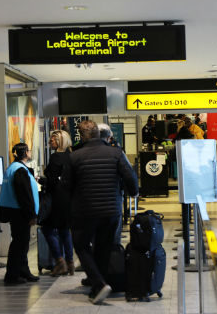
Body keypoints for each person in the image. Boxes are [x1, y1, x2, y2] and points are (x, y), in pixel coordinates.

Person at [63, 120, 138, 304]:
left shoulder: (74, 157)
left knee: (82, 246)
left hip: (85, 211)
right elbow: (130, 176)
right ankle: (98, 287)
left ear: (82, 136)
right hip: (111, 210)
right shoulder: (116, 153)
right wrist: (133, 192)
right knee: (104, 248)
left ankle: (98, 283)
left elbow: (66, 186)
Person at [0, 143, 40, 285]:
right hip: (20, 212)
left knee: (21, 243)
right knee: (19, 244)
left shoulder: (12, 168)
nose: (30, 152)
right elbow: (24, 195)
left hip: (14, 210)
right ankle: (12, 275)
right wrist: (31, 215)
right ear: (25, 152)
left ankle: (23, 271)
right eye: (29, 150)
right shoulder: (19, 170)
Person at [40, 130, 74, 276]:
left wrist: (42, 181)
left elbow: (52, 180)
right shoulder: (71, 156)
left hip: (56, 199)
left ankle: (60, 262)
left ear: (60, 141)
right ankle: (70, 262)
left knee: (47, 229)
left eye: (52, 140)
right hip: (68, 198)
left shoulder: (56, 157)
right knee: (65, 230)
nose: (50, 142)